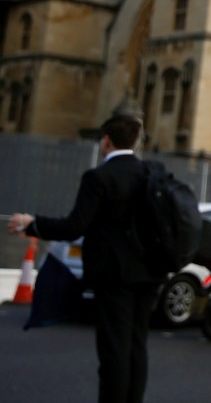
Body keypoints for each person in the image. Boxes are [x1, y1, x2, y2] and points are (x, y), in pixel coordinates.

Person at [6, 111, 163, 403]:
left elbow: (74, 226)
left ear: (106, 142)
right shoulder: (149, 174)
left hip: (113, 277)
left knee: (114, 350)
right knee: (136, 346)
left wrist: (33, 223)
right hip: (148, 274)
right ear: (137, 141)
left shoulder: (99, 177)